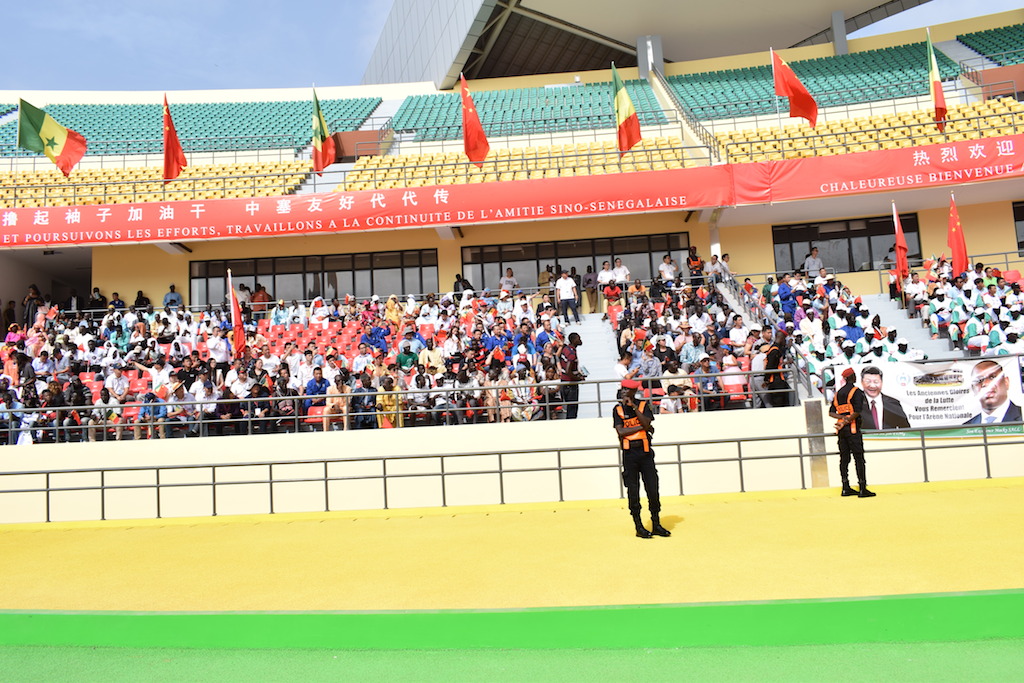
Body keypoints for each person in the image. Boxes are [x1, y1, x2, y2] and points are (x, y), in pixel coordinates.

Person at [613, 379, 671, 539]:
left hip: (645, 454)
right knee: (633, 491)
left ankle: (656, 523)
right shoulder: (617, 409)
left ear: (633, 392)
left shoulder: (643, 406)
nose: (624, 392)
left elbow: (647, 422)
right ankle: (638, 526)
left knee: (653, 489)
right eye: (623, 389)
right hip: (629, 455)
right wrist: (642, 427)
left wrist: (633, 408)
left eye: (627, 390)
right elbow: (621, 432)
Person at [829, 368, 875, 498]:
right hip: (853, 430)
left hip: (841, 431)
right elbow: (857, 411)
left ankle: (845, 487)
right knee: (859, 459)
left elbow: (831, 412)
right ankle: (862, 488)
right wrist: (848, 420)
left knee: (844, 459)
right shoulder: (856, 392)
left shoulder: (838, 393)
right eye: (854, 375)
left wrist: (842, 419)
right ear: (851, 377)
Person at [963, 360, 1022, 425]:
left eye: (992, 377)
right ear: (973, 388)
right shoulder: (966, 427)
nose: (985, 383)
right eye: (979, 380)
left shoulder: (1022, 416)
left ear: (1006, 382)